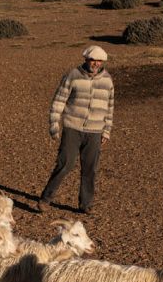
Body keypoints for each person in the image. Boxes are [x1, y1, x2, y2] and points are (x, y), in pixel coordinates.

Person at [36, 45, 114, 214]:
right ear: (86, 59)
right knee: (65, 164)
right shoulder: (73, 75)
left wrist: (106, 130)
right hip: (73, 127)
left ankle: (86, 204)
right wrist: (54, 124)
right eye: (93, 60)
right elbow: (59, 101)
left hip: (95, 131)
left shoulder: (107, 80)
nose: (96, 64)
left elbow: (110, 107)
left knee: (90, 168)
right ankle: (45, 199)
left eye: (99, 61)